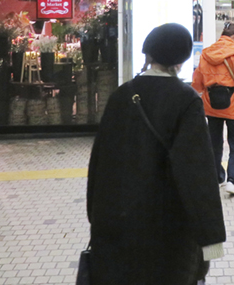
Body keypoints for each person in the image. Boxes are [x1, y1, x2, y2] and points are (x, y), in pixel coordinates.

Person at [86, 23, 226, 285]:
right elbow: (198, 173)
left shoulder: (121, 96)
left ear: (148, 54)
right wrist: (211, 239)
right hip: (169, 232)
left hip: (119, 227)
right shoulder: (186, 101)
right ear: (182, 60)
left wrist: (98, 221)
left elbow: (99, 164)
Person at [192, 21, 234, 197]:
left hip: (211, 106)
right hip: (233, 106)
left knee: (214, 142)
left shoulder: (206, 54)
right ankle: (233, 182)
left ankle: (217, 177)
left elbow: (198, 80)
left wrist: (199, 93)